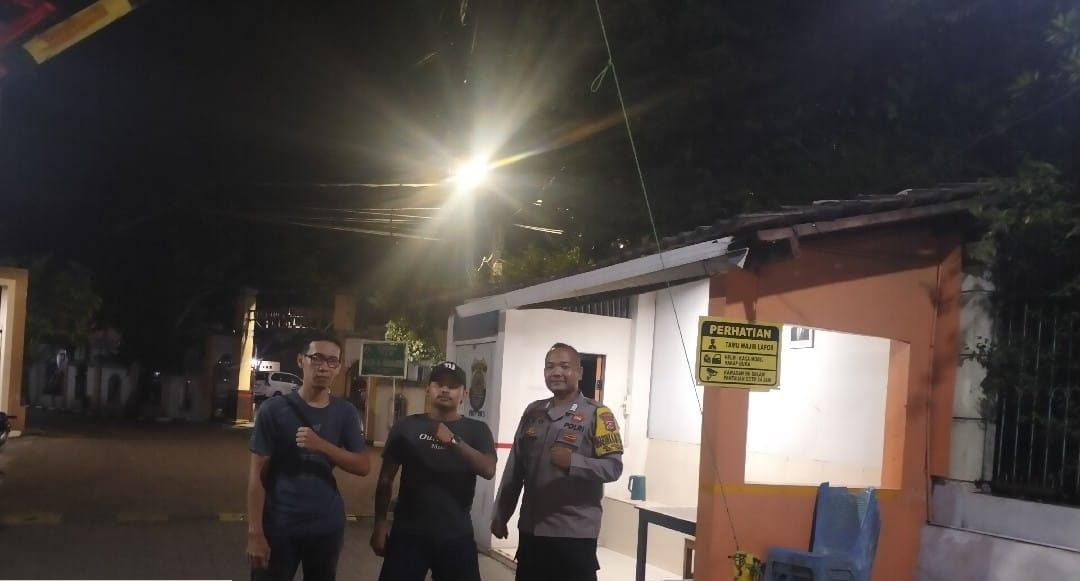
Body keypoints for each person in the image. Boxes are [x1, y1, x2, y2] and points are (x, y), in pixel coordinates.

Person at [492, 343, 624, 581]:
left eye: (564, 366)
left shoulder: (598, 414)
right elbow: (515, 469)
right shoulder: (533, 412)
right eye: (550, 367)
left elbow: (613, 467)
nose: (556, 372)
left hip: (574, 534)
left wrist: (574, 462)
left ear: (579, 372)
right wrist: (501, 514)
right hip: (532, 530)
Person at [246, 332, 370, 581]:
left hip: (326, 526)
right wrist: (255, 533)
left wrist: (322, 446)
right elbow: (257, 476)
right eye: (317, 358)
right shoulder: (273, 410)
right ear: (301, 360)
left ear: (338, 368)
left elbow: (363, 465)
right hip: (279, 524)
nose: (324, 367)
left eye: (332, 361)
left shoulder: (345, 412)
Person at [371, 361, 497, 581]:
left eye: (453, 386)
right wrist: (380, 525)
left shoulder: (477, 430)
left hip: (456, 534)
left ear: (464, 394)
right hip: (408, 533)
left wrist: (454, 441)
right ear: (428, 390)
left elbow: (488, 469)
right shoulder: (405, 427)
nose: (445, 389)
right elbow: (385, 480)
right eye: (439, 384)